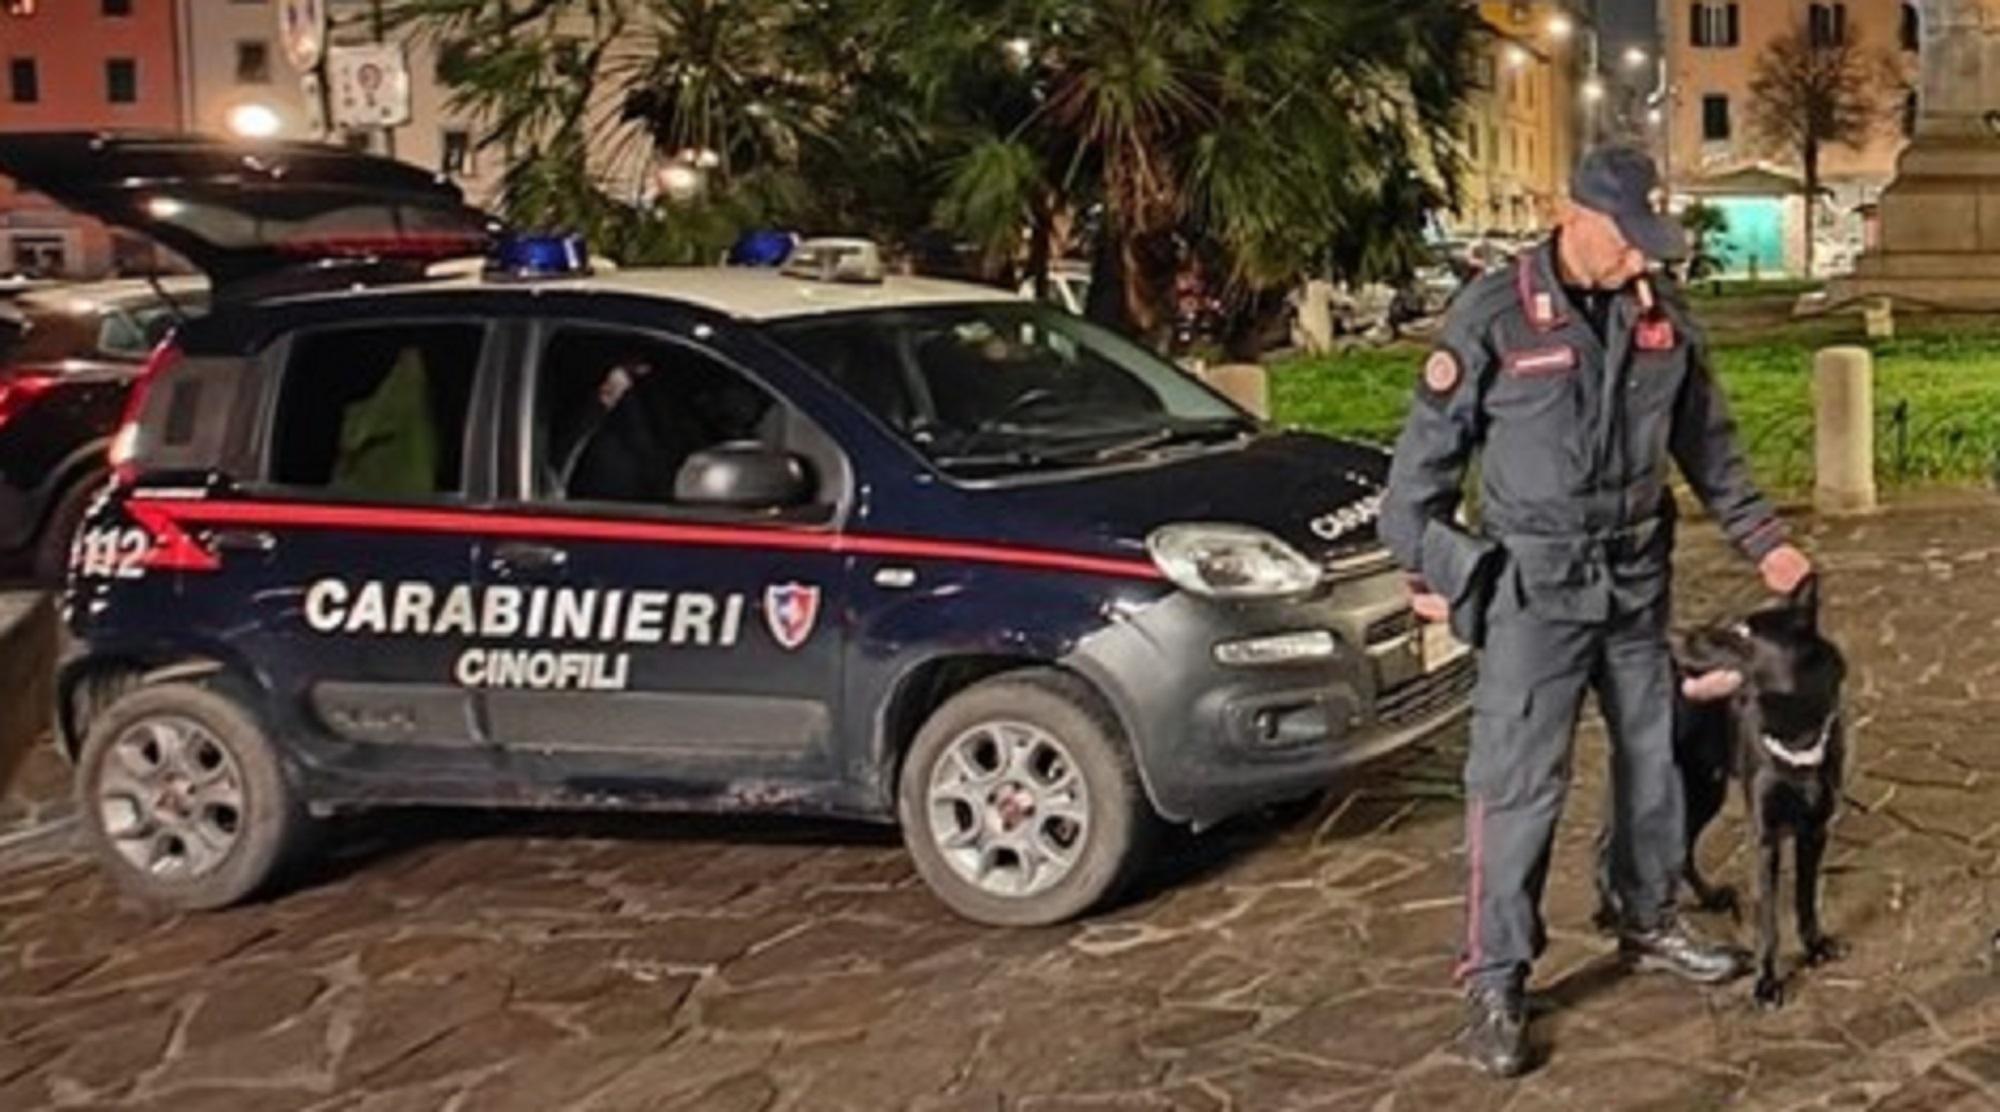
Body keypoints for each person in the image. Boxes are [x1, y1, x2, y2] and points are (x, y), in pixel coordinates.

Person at [1378, 146, 1814, 1078]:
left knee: (1652, 756)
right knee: (1518, 786)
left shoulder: (1662, 317)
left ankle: (1646, 913)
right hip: (1530, 590)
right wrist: (1462, 575)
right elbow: (1406, 500)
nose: (1639, 263)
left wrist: (1765, 539)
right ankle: (1497, 977)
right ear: (1571, 215)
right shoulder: (1493, 318)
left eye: (1647, 245)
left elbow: (1711, 450)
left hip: (1633, 578)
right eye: (1624, 243)